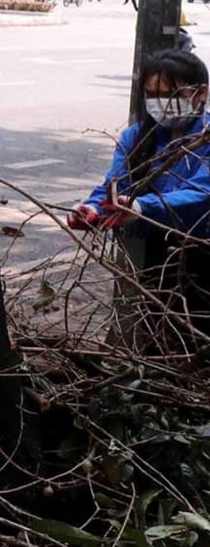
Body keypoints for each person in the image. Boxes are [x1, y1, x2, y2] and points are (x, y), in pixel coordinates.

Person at [70, 48, 210, 341]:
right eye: (153, 95)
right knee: (155, 333)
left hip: (201, 254)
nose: (162, 105)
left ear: (201, 94)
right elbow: (114, 185)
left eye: (173, 95)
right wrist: (94, 209)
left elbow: (202, 193)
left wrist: (143, 207)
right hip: (153, 257)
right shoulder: (135, 137)